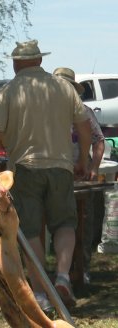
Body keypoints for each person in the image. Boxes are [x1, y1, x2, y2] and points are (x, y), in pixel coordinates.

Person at [0, 40, 91, 312]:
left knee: (29, 232)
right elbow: (85, 127)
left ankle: (41, 293)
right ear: (40, 61)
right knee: (64, 223)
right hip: (61, 165)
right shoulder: (63, 87)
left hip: (25, 168)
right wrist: (83, 160)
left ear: (16, 63)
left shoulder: (7, 91)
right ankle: (63, 276)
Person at [53, 67, 105, 286]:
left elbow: (98, 141)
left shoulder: (84, 111)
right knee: (59, 222)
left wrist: (93, 166)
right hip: (56, 175)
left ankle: (82, 268)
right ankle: (61, 270)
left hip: (81, 175)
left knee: (85, 221)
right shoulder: (48, 113)